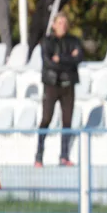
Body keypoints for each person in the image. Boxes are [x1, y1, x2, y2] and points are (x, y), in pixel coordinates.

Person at [36, 13, 83, 168]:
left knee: (67, 121)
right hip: (51, 84)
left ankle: (64, 156)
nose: (62, 25)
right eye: (59, 22)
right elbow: (48, 62)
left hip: (68, 85)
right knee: (46, 119)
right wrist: (69, 58)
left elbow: (79, 58)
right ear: (54, 25)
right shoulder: (47, 41)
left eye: (65, 22)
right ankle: (39, 155)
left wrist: (61, 58)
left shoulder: (74, 41)